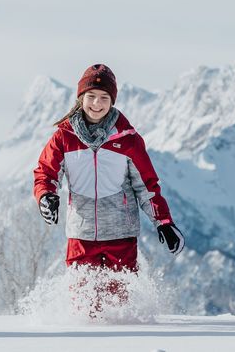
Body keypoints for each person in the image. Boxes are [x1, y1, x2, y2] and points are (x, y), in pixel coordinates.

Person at [32, 64, 184, 303]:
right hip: (81, 236)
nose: (97, 103)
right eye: (91, 96)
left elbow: (147, 187)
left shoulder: (128, 139)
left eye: (104, 97)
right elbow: (46, 173)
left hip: (120, 237)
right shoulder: (64, 137)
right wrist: (45, 195)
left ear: (112, 101)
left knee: (118, 306)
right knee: (83, 305)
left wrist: (163, 222)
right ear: (81, 98)